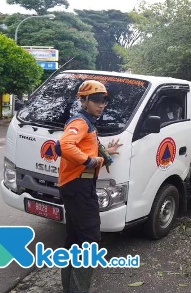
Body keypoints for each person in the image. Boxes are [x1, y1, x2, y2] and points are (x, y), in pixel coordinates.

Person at [57, 80, 122, 293]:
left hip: (77, 187)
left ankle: (70, 288)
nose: (101, 105)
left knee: (75, 238)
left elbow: (88, 146)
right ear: (83, 101)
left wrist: (106, 154)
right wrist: (89, 161)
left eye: (103, 101)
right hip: (78, 187)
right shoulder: (81, 122)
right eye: (95, 100)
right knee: (91, 239)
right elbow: (64, 145)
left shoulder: (88, 122)